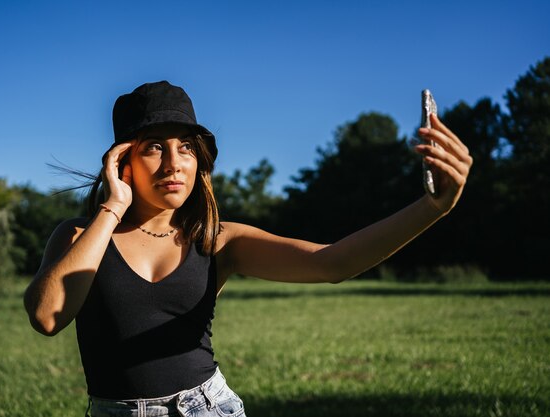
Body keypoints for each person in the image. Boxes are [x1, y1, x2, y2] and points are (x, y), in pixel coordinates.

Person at [23, 81, 472, 417]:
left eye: (186, 148)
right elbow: (47, 318)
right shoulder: (82, 237)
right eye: (154, 147)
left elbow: (333, 262)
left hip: (208, 408)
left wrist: (433, 207)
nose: (173, 163)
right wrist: (113, 207)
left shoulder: (219, 240)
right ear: (122, 160)